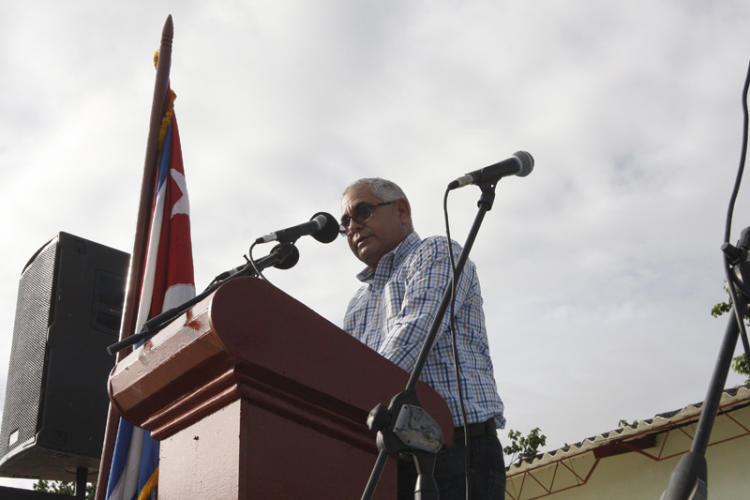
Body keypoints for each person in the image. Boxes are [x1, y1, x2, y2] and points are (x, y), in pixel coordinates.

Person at [340, 177, 506, 499]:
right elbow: (348, 367)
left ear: (401, 210)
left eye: (362, 212)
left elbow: (415, 333)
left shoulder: (435, 252)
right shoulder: (357, 305)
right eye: (345, 222)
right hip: (389, 459)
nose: (352, 227)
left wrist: (346, 394)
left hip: (458, 451)